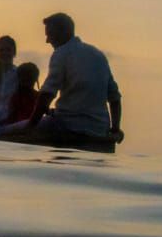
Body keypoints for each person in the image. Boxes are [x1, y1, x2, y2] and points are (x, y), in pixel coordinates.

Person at [25, 12, 123, 144]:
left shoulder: (61, 53)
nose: (47, 40)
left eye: (49, 35)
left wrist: (30, 127)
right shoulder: (98, 55)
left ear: (63, 32)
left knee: (3, 131)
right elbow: (114, 98)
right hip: (100, 130)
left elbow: (47, 94)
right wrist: (115, 129)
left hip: (68, 127)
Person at [0, 62, 40, 137]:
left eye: (28, 78)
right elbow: (12, 116)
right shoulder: (19, 96)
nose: (25, 81)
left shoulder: (32, 96)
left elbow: (12, 117)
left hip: (23, 126)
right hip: (24, 125)